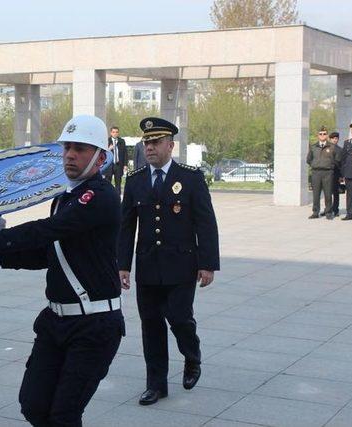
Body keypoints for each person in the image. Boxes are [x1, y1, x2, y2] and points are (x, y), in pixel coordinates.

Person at [0, 115, 124, 427]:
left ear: (101, 157)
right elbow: (52, 252)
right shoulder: (65, 198)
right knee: (33, 405)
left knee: (63, 415)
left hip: (94, 326)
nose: (71, 154)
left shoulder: (100, 197)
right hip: (55, 322)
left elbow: (49, 230)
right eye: (67, 147)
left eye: (81, 149)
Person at [118, 117, 220, 406]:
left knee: (179, 318)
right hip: (148, 267)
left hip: (181, 265)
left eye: (155, 142)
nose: (149, 147)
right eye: (146, 142)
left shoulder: (190, 178)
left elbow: (205, 223)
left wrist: (208, 263)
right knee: (151, 325)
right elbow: (127, 226)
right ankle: (156, 384)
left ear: (170, 145)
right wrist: (122, 265)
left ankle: (192, 355)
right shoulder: (136, 180)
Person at [306, 126, 341, 220]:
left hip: (328, 172)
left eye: (324, 134)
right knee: (316, 194)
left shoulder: (332, 146)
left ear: (327, 135)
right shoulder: (313, 147)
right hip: (316, 172)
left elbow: (337, 160)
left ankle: (328, 212)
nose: (322, 135)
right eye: (320, 134)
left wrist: (330, 165)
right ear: (318, 135)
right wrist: (315, 164)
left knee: (328, 193)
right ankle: (315, 212)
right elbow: (308, 159)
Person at [104, 126, 128, 196]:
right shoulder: (107, 141)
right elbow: (102, 153)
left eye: (116, 132)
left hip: (118, 165)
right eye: (113, 132)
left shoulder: (121, 141)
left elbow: (125, 153)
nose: (115, 133)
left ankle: (117, 199)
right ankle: (107, 197)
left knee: (118, 183)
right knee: (107, 183)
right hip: (109, 165)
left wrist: (125, 164)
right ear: (111, 133)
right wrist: (109, 149)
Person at [329, 132, 342, 217]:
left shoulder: (340, 149)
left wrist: (341, 175)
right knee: (327, 192)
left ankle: (336, 209)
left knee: (335, 193)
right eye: (333, 138)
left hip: (336, 173)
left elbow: (340, 163)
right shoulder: (326, 148)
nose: (334, 140)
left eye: (336, 138)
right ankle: (328, 209)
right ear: (330, 139)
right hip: (327, 174)